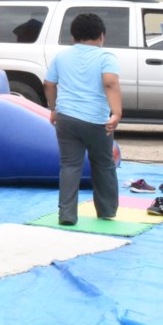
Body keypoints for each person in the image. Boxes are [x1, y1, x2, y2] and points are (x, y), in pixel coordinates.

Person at [43, 13, 122, 225]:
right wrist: (116, 113)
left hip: (67, 118)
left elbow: (49, 84)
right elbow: (110, 83)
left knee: (69, 165)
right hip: (97, 121)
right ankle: (106, 211)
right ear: (101, 36)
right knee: (103, 164)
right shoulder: (106, 57)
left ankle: (67, 215)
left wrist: (54, 108)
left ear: (73, 36)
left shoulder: (61, 57)